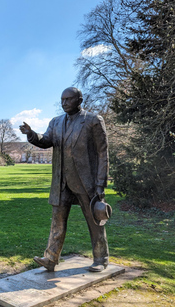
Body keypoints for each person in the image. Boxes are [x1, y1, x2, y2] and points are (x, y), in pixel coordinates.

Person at [19, 87, 109, 272]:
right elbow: (46, 140)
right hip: (61, 181)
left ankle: (101, 258)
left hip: (86, 181)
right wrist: (31, 134)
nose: (64, 103)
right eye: (62, 99)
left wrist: (100, 184)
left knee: (94, 221)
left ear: (79, 100)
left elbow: (103, 153)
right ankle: (50, 259)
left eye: (68, 99)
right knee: (57, 221)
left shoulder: (92, 120)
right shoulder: (56, 122)